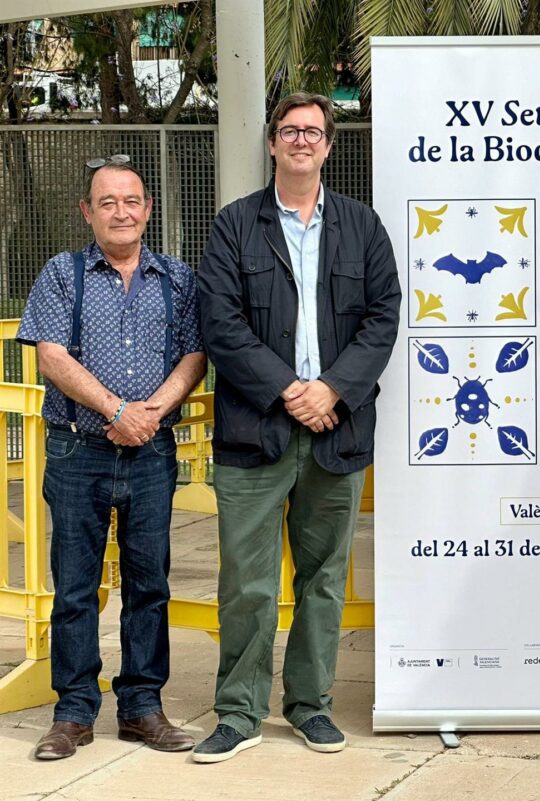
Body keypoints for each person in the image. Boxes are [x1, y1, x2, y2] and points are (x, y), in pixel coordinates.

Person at [193, 92, 400, 763]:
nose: (302, 140)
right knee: (246, 584)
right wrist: (289, 390)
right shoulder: (234, 226)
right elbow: (220, 322)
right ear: (273, 143)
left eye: (313, 131)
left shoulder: (363, 226)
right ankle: (238, 712)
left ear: (329, 145)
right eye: (290, 130)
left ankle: (311, 705)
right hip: (254, 432)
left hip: (337, 430)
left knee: (324, 580)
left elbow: (383, 316)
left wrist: (332, 389)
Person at [17, 155, 206, 760]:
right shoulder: (62, 273)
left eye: (131, 201)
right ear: (87, 212)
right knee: (75, 586)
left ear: (147, 208)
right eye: (107, 202)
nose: (120, 212)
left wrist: (151, 412)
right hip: (78, 449)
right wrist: (117, 410)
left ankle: (142, 708)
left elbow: (195, 355)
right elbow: (51, 356)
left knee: (149, 584)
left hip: (152, 453)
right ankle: (73, 714)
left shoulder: (178, 278)